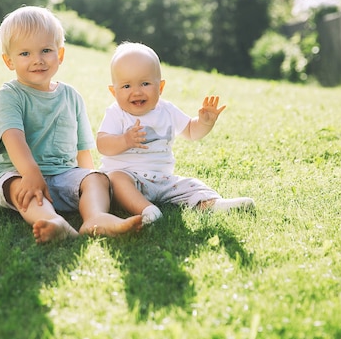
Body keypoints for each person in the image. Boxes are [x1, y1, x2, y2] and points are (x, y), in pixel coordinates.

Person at [0, 7, 143, 243]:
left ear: (61, 54)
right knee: (20, 189)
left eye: (46, 50)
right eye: (25, 53)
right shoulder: (10, 95)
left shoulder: (71, 96)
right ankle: (53, 221)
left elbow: (82, 148)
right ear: (9, 61)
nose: (37, 59)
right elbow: (13, 137)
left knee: (96, 178)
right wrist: (31, 173)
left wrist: (87, 179)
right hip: (17, 173)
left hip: (63, 175)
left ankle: (96, 217)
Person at [96, 42, 254, 225]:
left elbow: (191, 131)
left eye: (145, 83)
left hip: (163, 181)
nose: (136, 91)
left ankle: (212, 203)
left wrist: (204, 122)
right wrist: (125, 140)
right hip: (129, 179)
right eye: (126, 86)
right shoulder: (117, 113)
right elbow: (102, 144)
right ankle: (147, 210)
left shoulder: (167, 110)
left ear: (160, 87)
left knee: (192, 184)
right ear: (113, 92)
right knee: (115, 179)